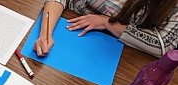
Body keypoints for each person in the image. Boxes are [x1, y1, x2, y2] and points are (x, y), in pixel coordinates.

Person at [34, 0, 178, 58]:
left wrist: (108, 23)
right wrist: (44, 34)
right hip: (69, 20)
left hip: (120, 55)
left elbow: (164, 46)